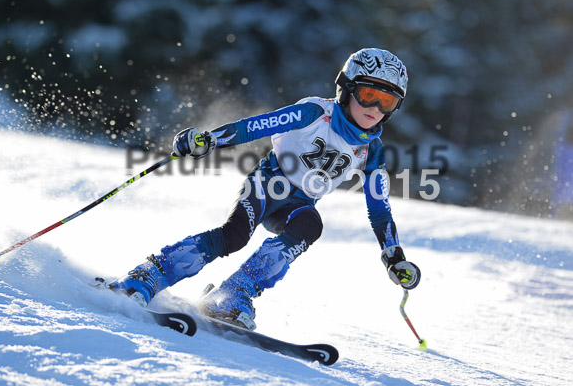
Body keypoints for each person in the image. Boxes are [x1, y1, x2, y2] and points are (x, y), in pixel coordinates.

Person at [109, 48, 421, 330]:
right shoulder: (314, 113)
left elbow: (379, 208)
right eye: (369, 94)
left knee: (311, 225)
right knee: (234, 236)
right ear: (347, 88)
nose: (376, 108)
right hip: (268, 183)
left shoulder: (372, 150)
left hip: (298, 203)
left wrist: (393, 255)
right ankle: (149, 274)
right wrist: (210, 139)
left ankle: (232, 294)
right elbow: (258, 125)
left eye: (388, 101)